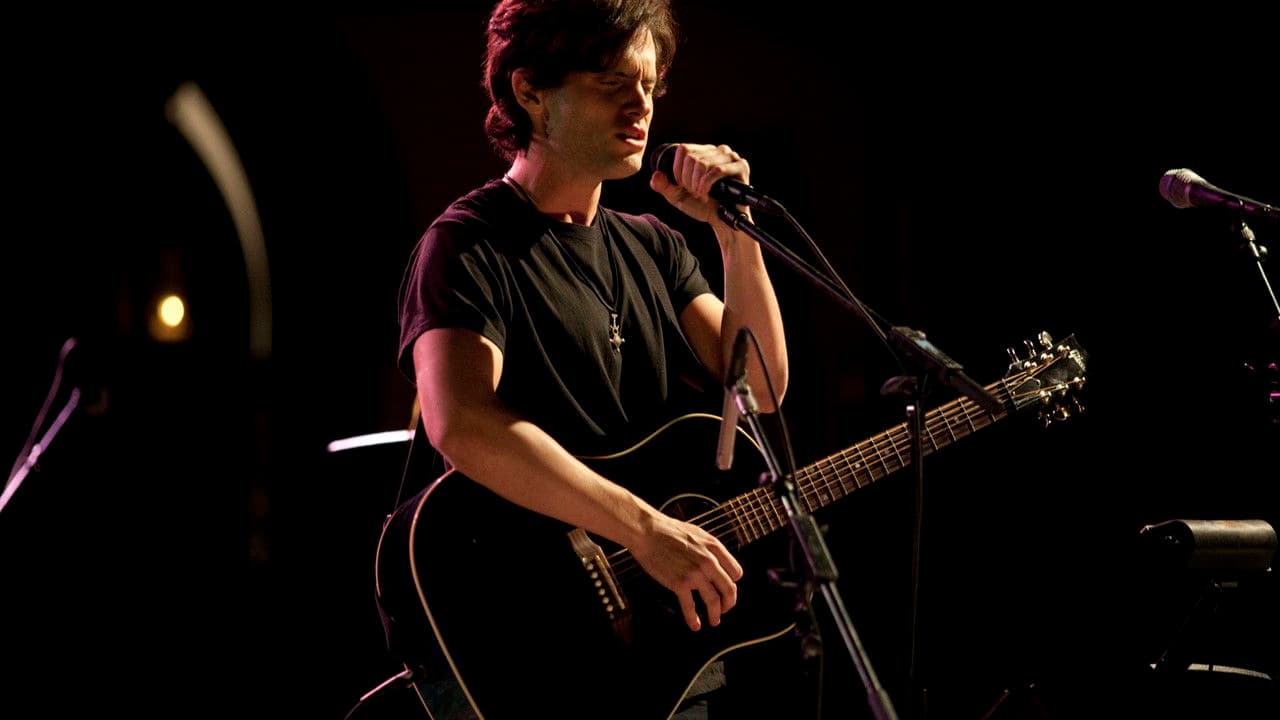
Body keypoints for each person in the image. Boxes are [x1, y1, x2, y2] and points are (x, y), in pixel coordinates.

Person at [386, 1, 789, 718]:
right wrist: (645, 530)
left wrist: (736, 235)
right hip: (513, 633)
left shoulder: (655, 246)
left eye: (649, 85)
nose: (641, 105)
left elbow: (756, 391)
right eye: (610, 83)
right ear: (530, 90)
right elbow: (461, 422)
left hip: (648, 662)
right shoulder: (469, 244)